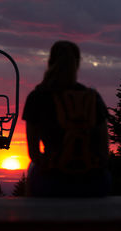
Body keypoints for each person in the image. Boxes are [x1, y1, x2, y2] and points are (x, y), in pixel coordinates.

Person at [22, 40, 111, 197]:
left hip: (50, 182)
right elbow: (103, 153)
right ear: (77, 65)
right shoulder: (92, 98)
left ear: (50, 62)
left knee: (31, 168)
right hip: (93, 182)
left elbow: (34, 154)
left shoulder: (37, 98)